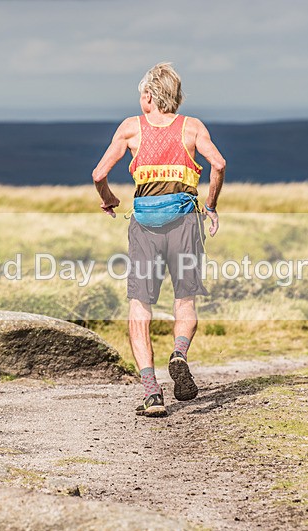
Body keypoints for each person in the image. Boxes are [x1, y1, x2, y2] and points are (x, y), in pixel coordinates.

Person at [92, 62, 226, 417]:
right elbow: (219, 164)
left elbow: (98, 173)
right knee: (186, 301)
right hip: (185, 224)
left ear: (149, 96)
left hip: (145, 227)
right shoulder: (193, 128)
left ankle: (152, 393)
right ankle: (179, 354)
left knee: (140, 306)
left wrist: (108, 199)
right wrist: (210, 206)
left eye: (141, 95)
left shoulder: (131, 129)